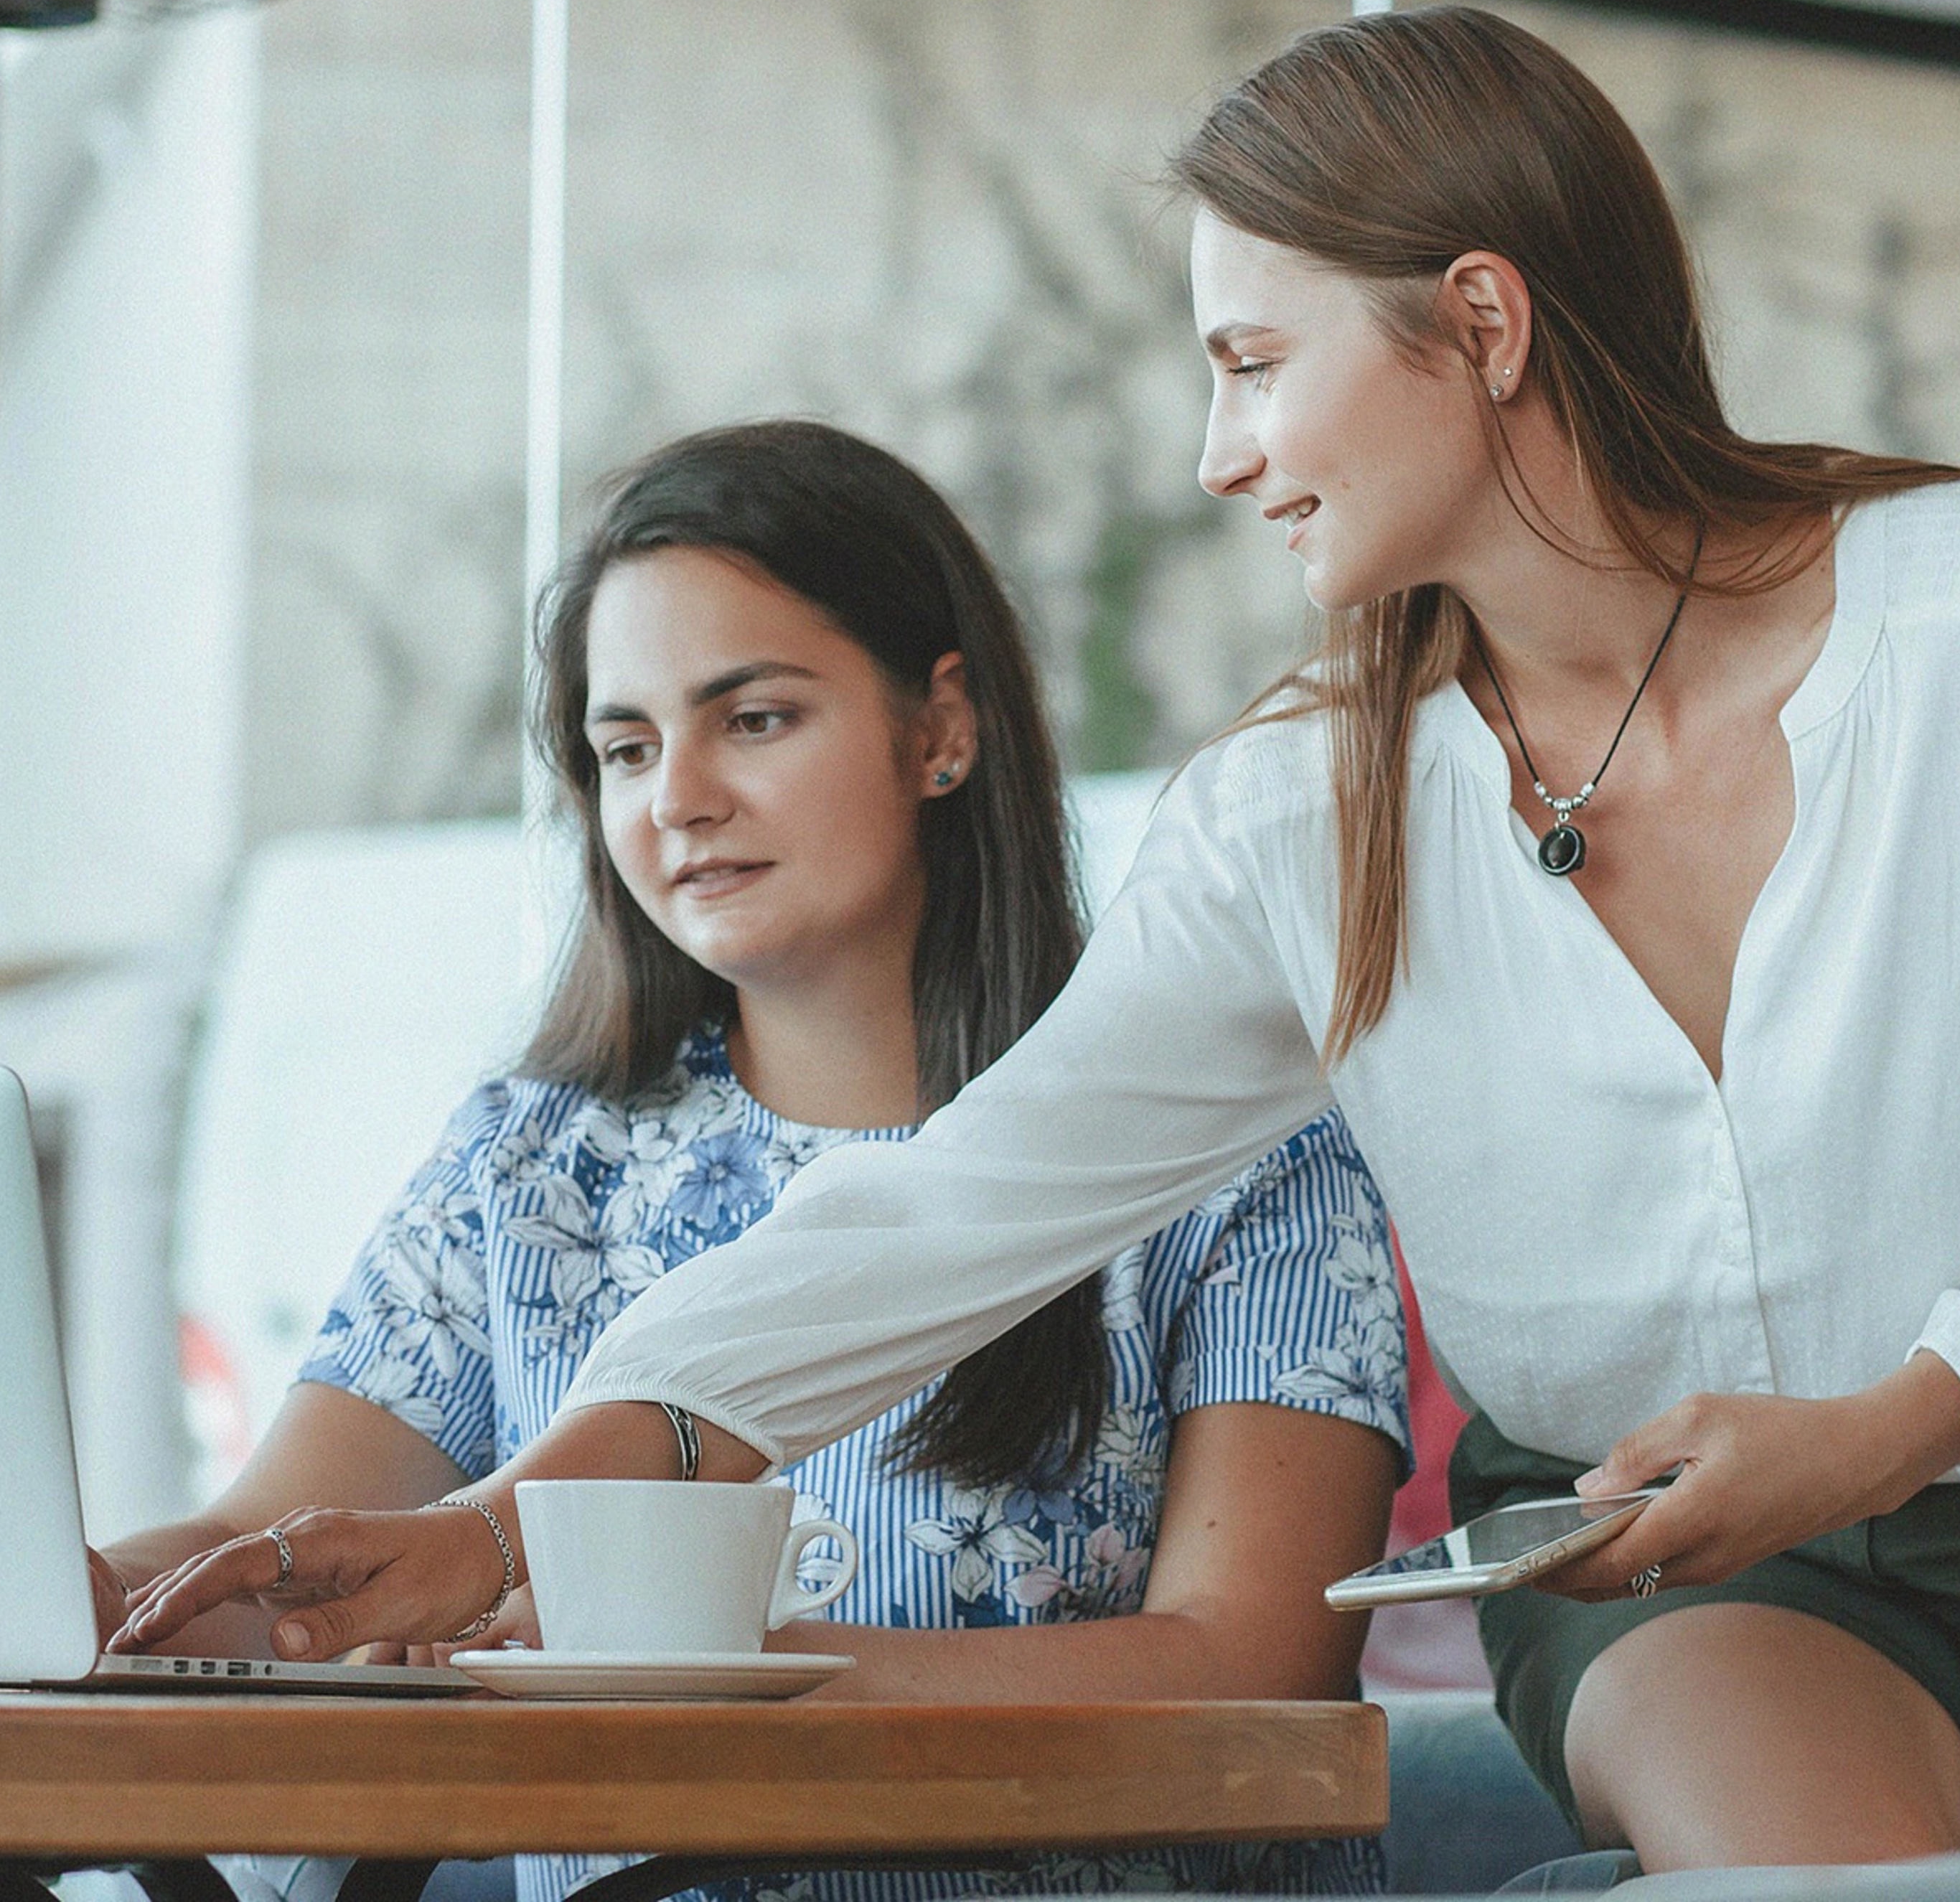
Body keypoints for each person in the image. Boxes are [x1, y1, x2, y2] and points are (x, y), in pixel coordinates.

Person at [119, 6, 1960, 1873]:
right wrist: (507, 1525)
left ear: (1481, 322)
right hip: (1684, 1568)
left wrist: (1910, 1418)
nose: (1219, 454)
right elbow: (947, 1213)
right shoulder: (1302, 818)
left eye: (1252, 360)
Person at [104, 419, 1407, 1902]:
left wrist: (740, 1676)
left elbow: (1257, 1666)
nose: (679, 799)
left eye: (757, 719)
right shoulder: (538, 1166)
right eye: (626, 748)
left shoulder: (1232, 1148)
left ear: (942, 729)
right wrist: (66, 1596)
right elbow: (270, 1555)